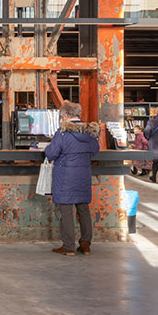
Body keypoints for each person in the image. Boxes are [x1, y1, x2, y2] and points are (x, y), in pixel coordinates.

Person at [45, 100, 101, 256]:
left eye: (61, 117)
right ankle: (85, 244)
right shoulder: (90, 132)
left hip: (65, 176)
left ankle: (68, 246)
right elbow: (95, 150)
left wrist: (47, 147)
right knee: (83, 209)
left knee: (66, 210)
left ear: (66, 115)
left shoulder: (62, 133)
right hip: (83, 175)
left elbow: (51, 154)